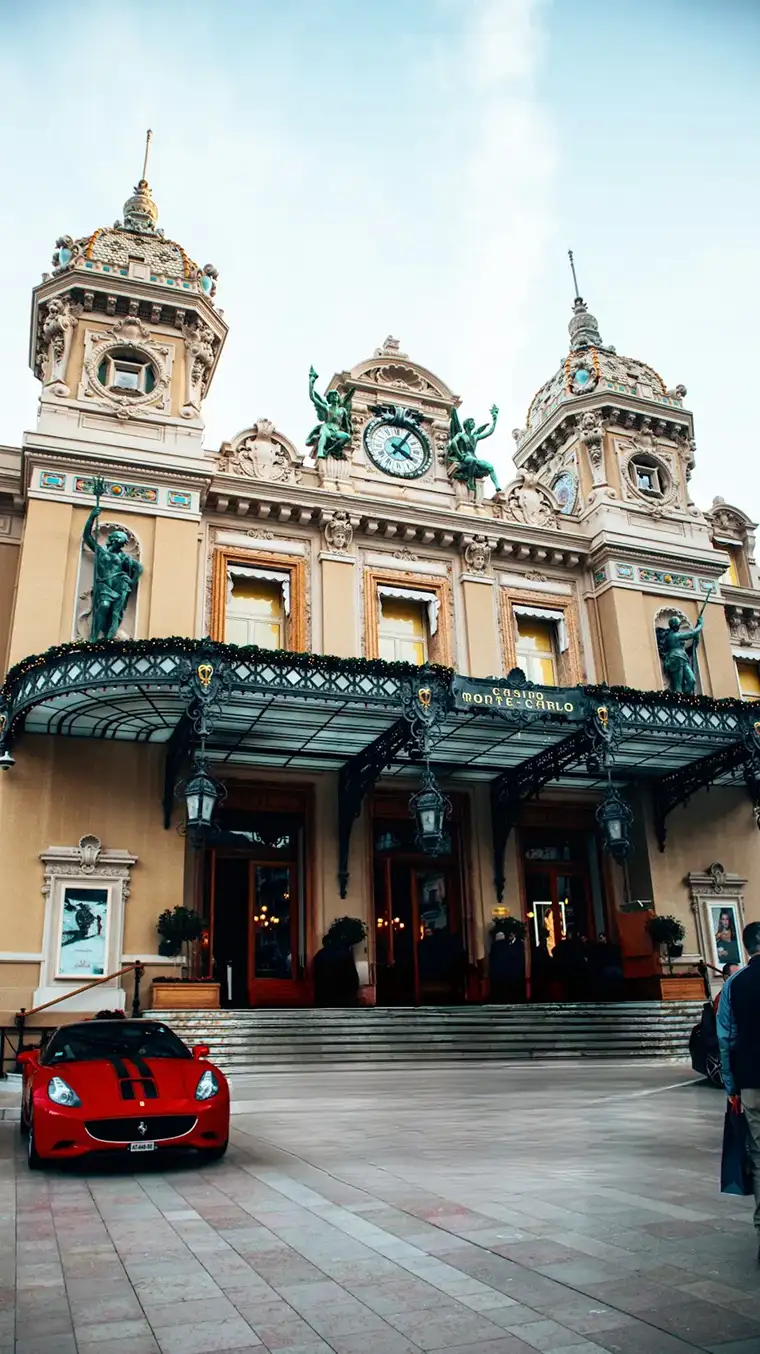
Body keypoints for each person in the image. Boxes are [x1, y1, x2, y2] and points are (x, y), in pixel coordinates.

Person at [717, 920, 760, 1260]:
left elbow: (726, 1038)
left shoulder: (734, 984)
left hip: (753, 1082)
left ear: (746, 948)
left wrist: (731, 1087)